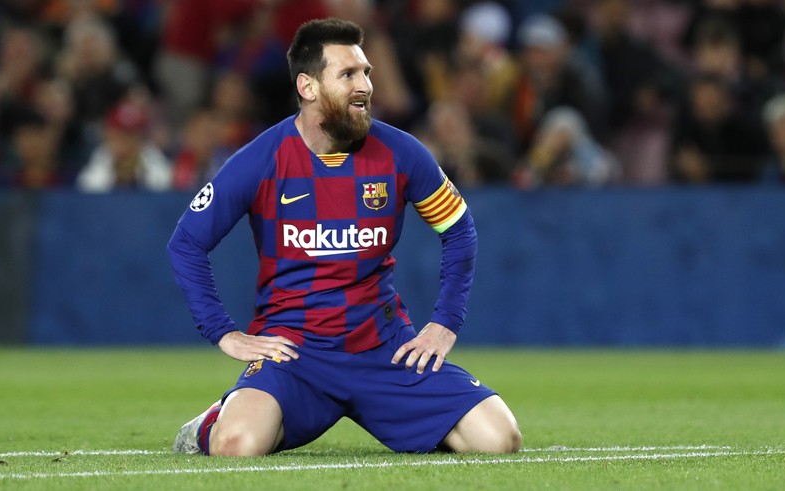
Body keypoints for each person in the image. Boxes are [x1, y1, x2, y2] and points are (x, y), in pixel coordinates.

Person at [167, 18, 521, 457]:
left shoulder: (402, 152)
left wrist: (445, 322)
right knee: (236, 445)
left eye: (367, 72)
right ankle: (208, 424)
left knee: (499, 440)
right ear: (308, 86)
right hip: (294, 353)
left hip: (384, 348)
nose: (365, 86)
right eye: (348, 74)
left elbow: (459, 231)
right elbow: (186, 244)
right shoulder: (262, 159)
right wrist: (224, 332)